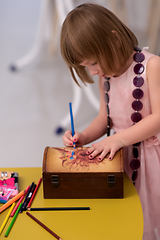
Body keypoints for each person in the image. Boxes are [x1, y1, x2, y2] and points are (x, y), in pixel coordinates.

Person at [60, 3, 160, 240]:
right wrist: (83, 136)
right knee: (126, 216)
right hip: (121, 158)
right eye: (86, 67)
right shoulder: (106, 76)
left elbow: (158, 118)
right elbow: (105, 119)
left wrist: (119, 139)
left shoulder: (152, 67)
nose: (93, 72)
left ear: (113, 40)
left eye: (93, 63)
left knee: (149, 214)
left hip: (151, 160)